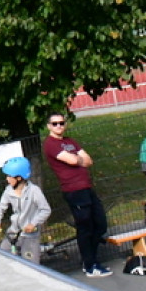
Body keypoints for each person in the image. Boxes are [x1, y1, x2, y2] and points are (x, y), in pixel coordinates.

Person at [42, 112, 111, 277]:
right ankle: (90, 265)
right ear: (49, 126)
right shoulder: (50, 144)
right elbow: (73, 161)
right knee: (85, 227)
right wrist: (78, 160)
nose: (59, 126)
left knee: (100, 224)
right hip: (73, 190)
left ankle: (90, 259)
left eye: (61, 123)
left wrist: (78, 159)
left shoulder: (70, 141)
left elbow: (89, 160)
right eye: (55, 123)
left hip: (87, 187)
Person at [0, 156, 51, 263]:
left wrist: (33, 224)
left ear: (19, 178)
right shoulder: (8, 191)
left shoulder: (34, 191)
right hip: (13, 233)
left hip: (30, 236)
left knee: (31, 265)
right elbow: (0, 207)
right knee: (2, 257)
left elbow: (45, 210)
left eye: (9, 176)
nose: (7, 179)